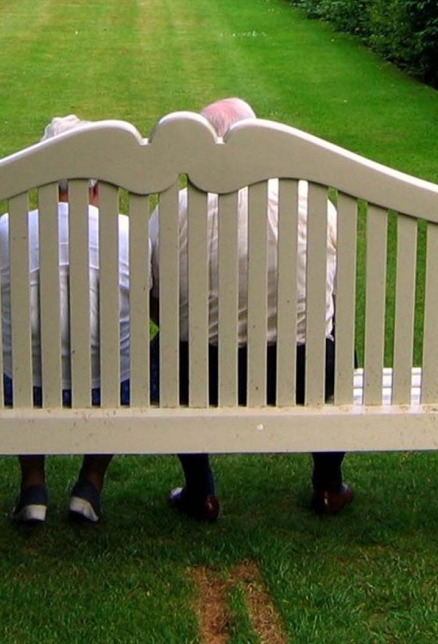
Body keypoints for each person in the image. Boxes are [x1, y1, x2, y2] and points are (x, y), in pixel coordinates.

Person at [148, 97, 353, 521]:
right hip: (303, 372)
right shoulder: (314, 203)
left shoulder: (176, 208)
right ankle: (329, 485)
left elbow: (155, 299)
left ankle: (200, 490)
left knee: (164, 349)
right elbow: (331, 296)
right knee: (339, 347)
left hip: (197, 374)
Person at [0, 114, 132, 526]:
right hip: (106, 388)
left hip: (25, 388)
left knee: (17, 361)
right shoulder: (125, 230)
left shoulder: (8, 228)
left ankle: (33, 485)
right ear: (96, 184)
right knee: (121, 362)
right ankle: (89, 484)